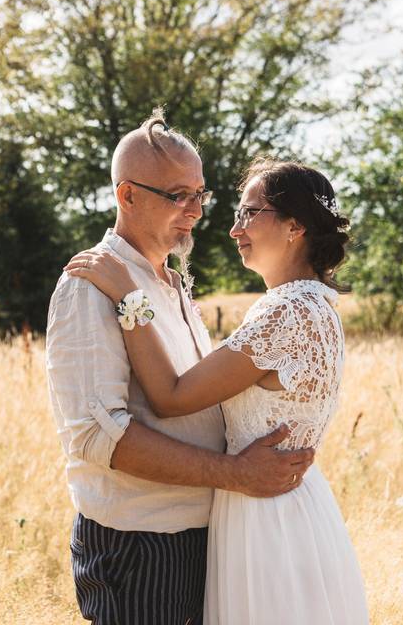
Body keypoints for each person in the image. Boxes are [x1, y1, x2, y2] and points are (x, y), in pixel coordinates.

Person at [65, 158, 370, 624]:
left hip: (263, 518)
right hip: (298, 507)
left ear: (294, 227)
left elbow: (171, 397)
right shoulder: (318, 304)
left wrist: (129, 298)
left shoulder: (285, 313)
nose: (233, 229)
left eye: (250, 213)